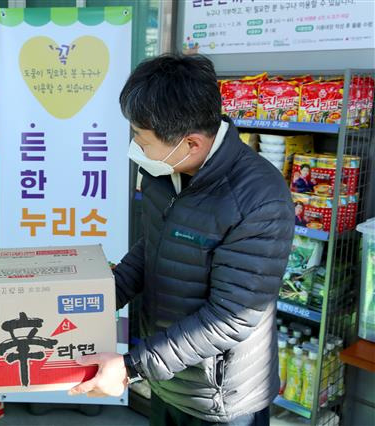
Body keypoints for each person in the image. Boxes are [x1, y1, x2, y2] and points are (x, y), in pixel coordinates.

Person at [69, 54, 294, 426]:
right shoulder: (163, 172)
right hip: (168, 377)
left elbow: (231, 318)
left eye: (142, 140)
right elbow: (154, 247)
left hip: (220, 399)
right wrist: (101, 297)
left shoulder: (258, 199)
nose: (136, 149)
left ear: (190, 144)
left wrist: (130, 367)